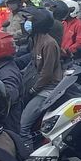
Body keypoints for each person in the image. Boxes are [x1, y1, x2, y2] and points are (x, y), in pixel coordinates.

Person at [19, 7, 63, 143]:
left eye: (30, 20)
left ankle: (27, 157)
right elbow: (32, 65)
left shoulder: (49, 43)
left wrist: (33, 90)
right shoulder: (35, 40)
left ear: (39, 23)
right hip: (38, 86)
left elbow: (46, 74)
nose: (27, 22)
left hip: (47, 90)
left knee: (23, 126)